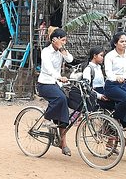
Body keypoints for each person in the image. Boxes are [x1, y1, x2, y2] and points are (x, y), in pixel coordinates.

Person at [37, 27, 73, 156]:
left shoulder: (60, 52)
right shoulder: (46, 52)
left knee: (68, 102)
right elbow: (49, 69)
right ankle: (47, 118)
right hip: (45, 83)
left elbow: (70, 60)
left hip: (57, 83)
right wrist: (59, 77)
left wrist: (62, 49)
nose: (64, 43)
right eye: (62, 40)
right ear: (54, 40)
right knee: (60, 99)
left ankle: (62, 142)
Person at [82, 46, 114, 111]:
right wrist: (99, 96)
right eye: (101, 55)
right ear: (94, 56)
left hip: (103, 91)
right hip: (95, 94)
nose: (103, 58)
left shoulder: (99, 68)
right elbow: (86, 87)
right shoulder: (88, 69)